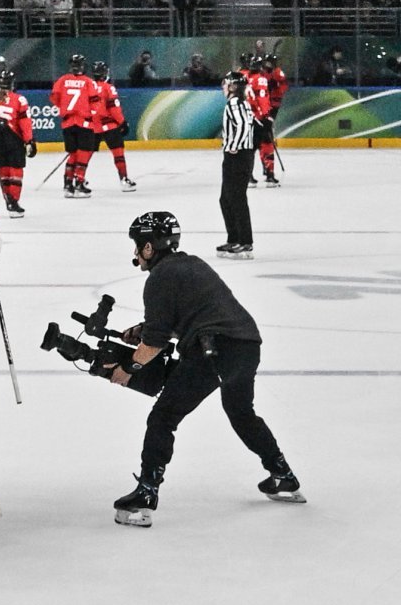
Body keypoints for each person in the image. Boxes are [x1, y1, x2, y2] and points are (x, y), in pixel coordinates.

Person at [110, 212, 302, 526]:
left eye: (137, 245)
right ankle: (282, 474)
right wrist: (145, 328)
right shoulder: (191, 263)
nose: (135, 253)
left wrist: (128, 369)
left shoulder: (159, 277)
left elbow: (154, 345)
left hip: (214, 351)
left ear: (148, 248)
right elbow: (195, 311)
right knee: (241, 411)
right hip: (246, 343)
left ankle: (146, 493)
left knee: (164, 416)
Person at [0, 71, 36, 216]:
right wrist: (29, 140)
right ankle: (14, 201)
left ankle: (9, 200)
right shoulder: (19, 99)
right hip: (13, 137)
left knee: (3, 169)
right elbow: (25, 122)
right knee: (16, 169)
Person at [218, 71, 257, 257]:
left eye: (225, 84)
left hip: (238, 156)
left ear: (233, 86)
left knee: (236, 199)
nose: (223, 87)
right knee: (226, 198)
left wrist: (232, 146)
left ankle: (245, 241)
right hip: (241, 155)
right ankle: (234, 238)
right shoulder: (242, 103)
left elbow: (242, 125)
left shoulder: (234, 103)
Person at [50, 53, 100, 197]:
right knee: (83, 154)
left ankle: (67, 184)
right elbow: (95, 101)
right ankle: (79, 183)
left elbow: (54, 97)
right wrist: (89, 113)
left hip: (68, 123)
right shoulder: (88, 82)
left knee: (73, 154)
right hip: (84, 123)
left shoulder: (62, 80)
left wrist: (65, 108)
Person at [91, 61, 137, 191]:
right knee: (118, 153)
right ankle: (124, 179)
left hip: (93, 126)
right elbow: (114, 109)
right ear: (105, 72)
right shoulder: (108, 87)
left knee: (84, 155)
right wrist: (123, 123)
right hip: (110, 126)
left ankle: (76, 180)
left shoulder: (88, 87)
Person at [244, 56, 280, 187]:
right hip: (260, 119)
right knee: (267, 145)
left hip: (247, 119)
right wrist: (267, 116)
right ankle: (269, 175)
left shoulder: (245, 78)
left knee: (250, 148)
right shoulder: (261, 79)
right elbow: (263, 99)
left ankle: (248, 177)